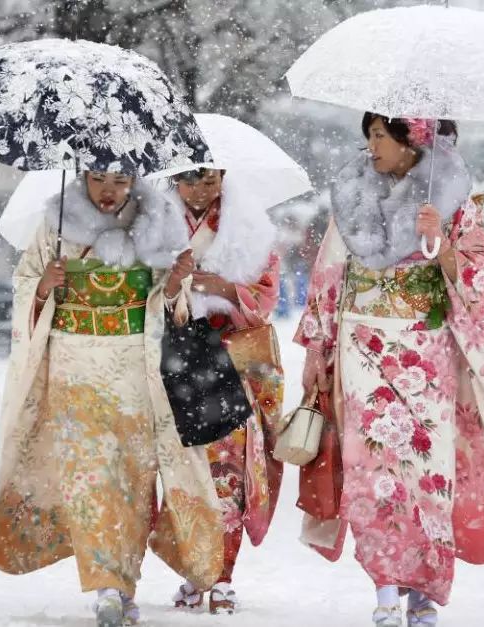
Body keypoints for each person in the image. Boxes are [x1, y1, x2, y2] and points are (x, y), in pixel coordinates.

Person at [295, 114, 484, 626]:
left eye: (382, 135)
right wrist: (317, 348)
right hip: (362, 340)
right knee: (372, 470)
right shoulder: (352, 196)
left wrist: (442, 245)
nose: (371, 145)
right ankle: (384, 590)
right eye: (370, 135)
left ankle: (423, 590)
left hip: (426, 350)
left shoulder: (454, 201)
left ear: (415, 139)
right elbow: (329, 274)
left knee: (428, 472)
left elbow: (483, 283)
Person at [0, 171, 227, 627]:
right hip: (74, 366)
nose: (109, 191)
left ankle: (124, 580)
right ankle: (106, 587)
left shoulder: (157, 219)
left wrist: (175, 283)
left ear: (134, 179)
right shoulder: (55, 223)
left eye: (119, 179)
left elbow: (167, 304)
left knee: (134, 477)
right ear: (81, 176)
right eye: (98, 179)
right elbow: (24, 286)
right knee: (88, 477)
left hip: (135, 363)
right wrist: (44, 286)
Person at [163, 167, 284, 614]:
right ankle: (193, 570)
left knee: (230, 471)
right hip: (178, 355)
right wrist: (174, 284)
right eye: (190, 179)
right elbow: (146, 294)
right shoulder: (156, 224)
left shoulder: (249, 226)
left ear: (224, 176)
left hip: (232, 358)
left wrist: (226, 289)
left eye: (209, 178)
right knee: (184, 469)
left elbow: (267, 295)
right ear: (174, 180)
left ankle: (224, 573)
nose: (200, 189)